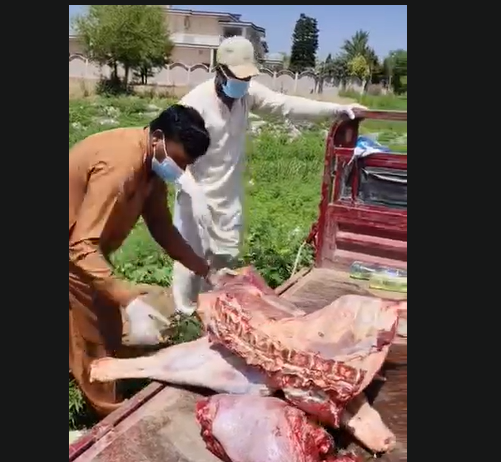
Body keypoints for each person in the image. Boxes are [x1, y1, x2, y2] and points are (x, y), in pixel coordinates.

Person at [170, 36, 366, 314]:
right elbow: (167, 155)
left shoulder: (247, 95)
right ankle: (183, 313)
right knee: (189, 259)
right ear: (220, 71)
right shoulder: (193, 105)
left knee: (224, 259)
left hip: (227, 194)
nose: (243, 82)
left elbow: (285, 104)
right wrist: (192, 192)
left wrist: (336, 110)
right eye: (238, 77)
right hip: (195, 194)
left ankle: (211, 313)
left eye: (247, 77)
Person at [69, 104, 227, 416]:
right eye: (178, 161)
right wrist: (128, 298)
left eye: (185, 165)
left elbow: (162, 228)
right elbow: (81, 246)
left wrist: (206, 271)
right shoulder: (120, 166)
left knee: (106, 322)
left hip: (84, 250)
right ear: (157, 138)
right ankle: (108, 414)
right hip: (77, 251)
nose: (179, 170)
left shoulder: (151, 169)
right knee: (96, 333)